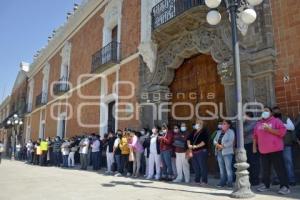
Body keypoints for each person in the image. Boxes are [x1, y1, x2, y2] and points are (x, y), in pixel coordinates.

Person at [254, 107, 290, 195]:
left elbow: (282, 132)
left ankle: (284, 186)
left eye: (266, 111)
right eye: (263, 111)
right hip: (263, 151)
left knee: (280, 169)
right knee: (265, 170)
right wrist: (254, 147)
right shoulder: (258, 123)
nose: (264, 112)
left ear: (271, 113)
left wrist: (270, 130)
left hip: (276, 150)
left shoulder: (276, 121)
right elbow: (255, 136)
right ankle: (266, 185)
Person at [272, 106, 297, 186]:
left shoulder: (285, 118)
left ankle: (291, 179)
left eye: (277, 111)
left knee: (288, 162)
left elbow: (292, 127)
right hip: (275, 145)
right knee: (276, 163)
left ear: (280, 111)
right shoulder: (271, 120)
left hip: (286, 144)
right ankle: (277, 179)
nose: (276, 112)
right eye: (274, 111)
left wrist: (281, 125)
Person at [213, 120, 235, 188]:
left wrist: (222, 146)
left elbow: (231, 141)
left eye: (224, 124)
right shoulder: (219, 132)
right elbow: (214, 140)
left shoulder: (231, 132)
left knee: (228, 168)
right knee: (221, 168)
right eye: (222, 124)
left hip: (227, 152)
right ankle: (222, 182)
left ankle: (230, 183)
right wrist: (217, 144)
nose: (222, 125)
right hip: (219, 152)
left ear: (228, 125)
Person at [187, 119, 209, 185]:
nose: (196, 124)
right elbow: (188, 138)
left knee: (202, 166)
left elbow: (204, 142)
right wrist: (189, 145)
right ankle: (197, 180)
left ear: (201, 124)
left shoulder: (204, 132)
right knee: (196, 167)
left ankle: (204, 181)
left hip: (201, 151)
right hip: (194, 152)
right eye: (196, 123)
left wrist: (196, 146)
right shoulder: (194, 131)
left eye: (198, 123)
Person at [243, 112, 260, 186]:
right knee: (248, 162)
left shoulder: (254, 122)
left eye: (244, 116)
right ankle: (250, 179)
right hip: (245, 144)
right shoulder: (244, 124)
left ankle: (255, 180)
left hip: (252, 145)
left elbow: (245, 130)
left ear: (249, 116)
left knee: (254, 163)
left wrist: (242, 124)